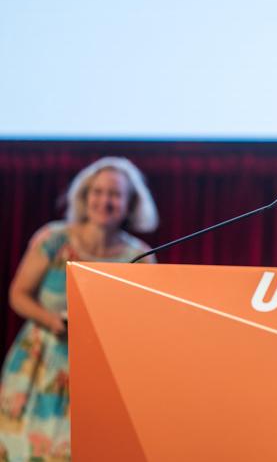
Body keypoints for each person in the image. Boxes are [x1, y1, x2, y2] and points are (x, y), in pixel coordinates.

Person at [0, 157, 159, 461]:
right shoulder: (54, 239)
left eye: (114, 194)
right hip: (39, 363)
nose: (104, 200)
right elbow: (18, 294)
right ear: (85, 198)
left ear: (129, 203)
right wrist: (51, 320)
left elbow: (142, 321)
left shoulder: (140, 256)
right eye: (97, 192)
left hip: (97, 370)